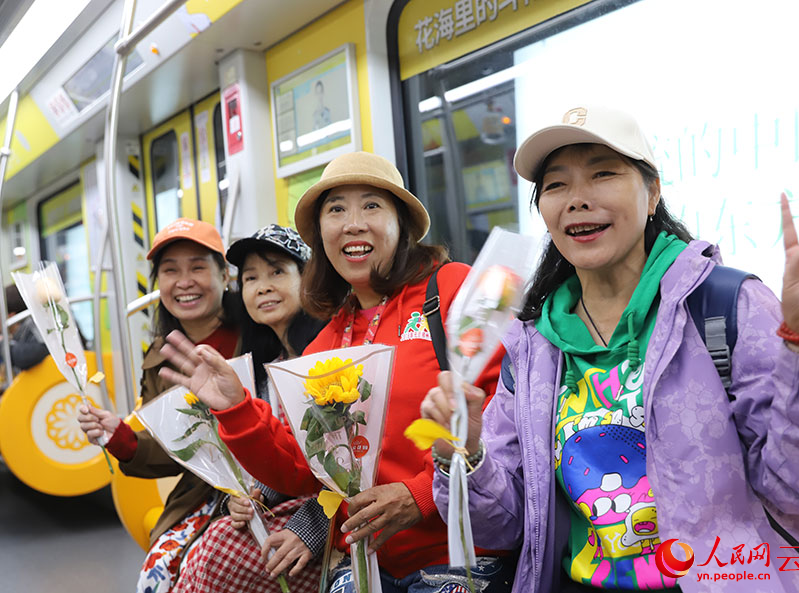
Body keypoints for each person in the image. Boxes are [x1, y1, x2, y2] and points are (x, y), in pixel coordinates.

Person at [421, 105, 799, 593]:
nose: (578, 200)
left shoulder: (726, 307)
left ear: (652, 193)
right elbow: (506, 528)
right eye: (557, 185)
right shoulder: (532, 348)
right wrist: (465, 453)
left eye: (603, 174)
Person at [156, 152, 514, 593]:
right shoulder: (323, 344)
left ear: (400, 222)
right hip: (368, 563)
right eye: (336, 209)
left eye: (371, 205)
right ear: (321, 235)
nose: (353, 223)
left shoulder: (452, 290)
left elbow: (504, 419)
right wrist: (236, 409)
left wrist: (420, 495)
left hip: (462, 556)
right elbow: (302, 474)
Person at [78, 218, 242, 593]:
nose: (184, 282)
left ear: (224, 275)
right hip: (205, 491)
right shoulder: (159, 358)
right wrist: (120, 438)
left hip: (277, 486)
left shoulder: (259, 330)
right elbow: (175, 451)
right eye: (170, 271)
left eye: (198, 267)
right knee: (160, 574)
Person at [173, 224, 327, 593]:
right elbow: (283, 456)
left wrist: (308, 529)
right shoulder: (264, 365)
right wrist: (250, 496)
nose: (263, 286)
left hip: (327, 521)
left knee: (213, 553)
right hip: (293, 508)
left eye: (277, 271)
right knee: (210, 544)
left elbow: (347, 468)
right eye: (251, 278)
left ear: (307, 277)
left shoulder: (327, 357)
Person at [2, 284, 49, 374]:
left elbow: (40, 350)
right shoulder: (17, 335)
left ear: (11, 316)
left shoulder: (34, 327)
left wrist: (3, 346)